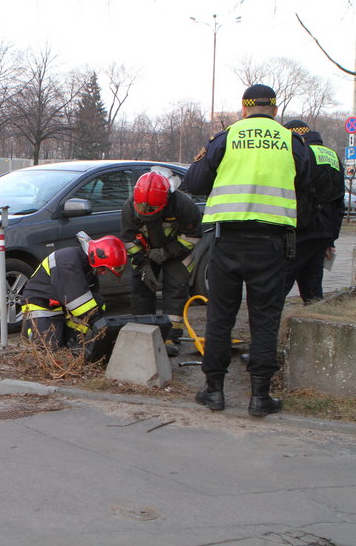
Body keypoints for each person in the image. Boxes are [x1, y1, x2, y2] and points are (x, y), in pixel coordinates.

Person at [185, 84, 310, 417]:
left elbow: (194, 182)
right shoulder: (289, 140)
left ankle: (214, 391)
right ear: (275, 108)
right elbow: (309, 181)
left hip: (226, 243)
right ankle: (260, 397)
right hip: (271, 243)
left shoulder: (225, 138)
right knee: (265, 320)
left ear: (243, 108)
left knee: (220, 317)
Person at [120, 168, 202, 357]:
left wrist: (166, 252)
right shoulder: (130, 206)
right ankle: (143, 332)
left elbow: (192, 237)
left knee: (175, 290)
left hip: (177, 253)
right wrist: (142, 262)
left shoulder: (183, 205)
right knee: (141, 290)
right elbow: (128, 239)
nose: (147, 213)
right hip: (146, 253)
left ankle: (170, 337)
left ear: (166, 199)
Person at [21, 233, 127, 351]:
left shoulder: (87, 265)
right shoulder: (68, 262)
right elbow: (78, 302)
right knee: (49, 349)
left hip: (61, 305)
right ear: (97, 256)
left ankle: (73, 340)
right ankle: (43, 337)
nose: (103, 273)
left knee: (98, 302)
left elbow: (91, 299)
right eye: (103, 268)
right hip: (41, 305)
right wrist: (101, 326)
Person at [282, 120, 345, 304]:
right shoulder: (332, 155)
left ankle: (266, 329)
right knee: (312, 288)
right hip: (323, 233)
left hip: (301, 231)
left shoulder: (302, 153)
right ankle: (313, 321)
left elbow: (299, 193)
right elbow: (338, 203)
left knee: (279, 285)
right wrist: (331, 238)